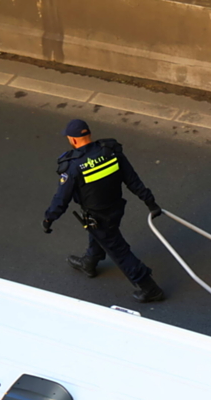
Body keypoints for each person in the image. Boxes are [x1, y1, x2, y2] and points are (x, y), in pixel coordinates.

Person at [42, 119, 164, 303]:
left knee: (119, 251)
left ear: (73, 140)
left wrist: (49, 219)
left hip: (98, 214)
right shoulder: (110, 151)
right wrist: (150, 202)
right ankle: (89, 263)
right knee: (100, 233)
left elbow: (62, 198)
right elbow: (132, 179)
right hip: (116, 207)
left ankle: (150, 288)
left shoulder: (73, 166)